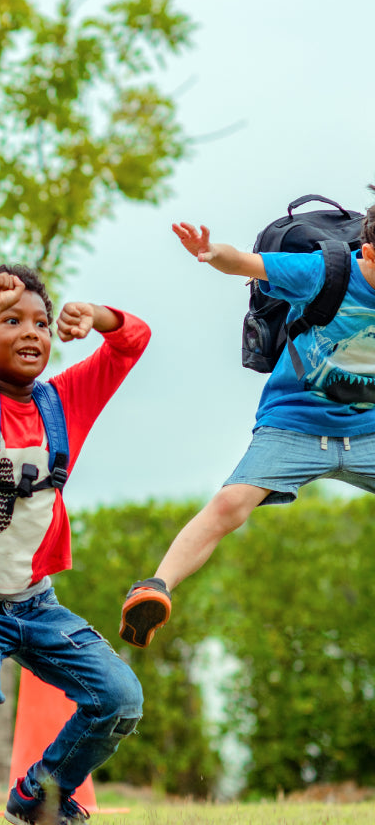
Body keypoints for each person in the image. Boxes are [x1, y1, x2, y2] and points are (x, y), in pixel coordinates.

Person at [0, 265, 149, 825]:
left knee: (120, 698)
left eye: (41, 322)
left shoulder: (65, 401)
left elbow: (134, 340)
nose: (31, 332)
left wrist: (96, 317)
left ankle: (40, 796)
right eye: (10, 320)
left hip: (37, 605)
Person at [122, 214, 375, 649]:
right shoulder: (323, 272)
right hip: (294, 421)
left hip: (368, 429)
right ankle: (154, 587)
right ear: (368, 253)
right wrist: (209, 251)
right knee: (230, 503)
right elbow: (243, 263)